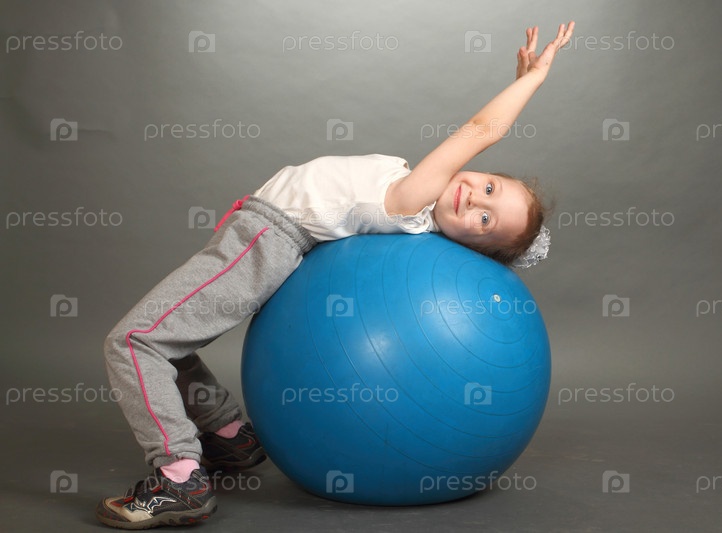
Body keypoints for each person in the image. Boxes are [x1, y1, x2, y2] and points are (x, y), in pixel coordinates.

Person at [96, 21, 575, 529]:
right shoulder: (414, 184)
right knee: (171, 339)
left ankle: (179, 479)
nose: (475, 198)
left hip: (263, 242)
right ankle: (228, 437)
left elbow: (482, 129)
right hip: (260, 234)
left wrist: (530, 81)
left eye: (484, 221)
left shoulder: (411, 199)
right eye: (492, 189)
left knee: (134, 342)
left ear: (470, 246)